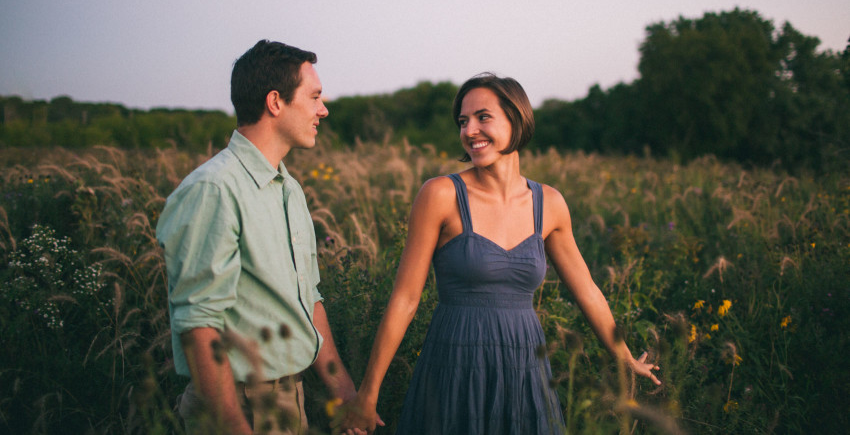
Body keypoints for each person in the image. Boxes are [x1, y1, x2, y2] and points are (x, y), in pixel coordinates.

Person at [334, 73, 660, 435]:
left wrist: (624, 356)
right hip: (455, 362)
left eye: (483, 117)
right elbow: (406, 299)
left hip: (525, 367)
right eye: (463, 121)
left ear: (516, 118)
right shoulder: (440, 195)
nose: (470, 130)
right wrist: (368, 394)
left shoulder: (549, 204)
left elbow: (587, 290)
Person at [158, 40, 378, 435]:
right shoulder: (214, 189)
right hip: (239, 405)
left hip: (288, 399)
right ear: (275, 102)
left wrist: (345, 396)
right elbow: (199, 325)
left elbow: (308, 300)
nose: (323, 109)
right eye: (313, 97)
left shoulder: (288, 189)